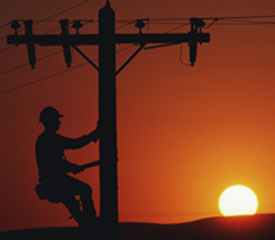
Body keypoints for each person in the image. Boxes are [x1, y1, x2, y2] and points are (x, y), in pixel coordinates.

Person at [35, 106, 100, 231]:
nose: (59, 122)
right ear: (50, 121)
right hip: (56, 182)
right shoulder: (50, 140)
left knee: (73, 202)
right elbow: (55, 162)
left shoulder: (44, 139)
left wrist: (70, 167)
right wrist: (95, 134)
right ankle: (90, 220)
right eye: (56, 120)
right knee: (85, 190)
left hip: (53, 183)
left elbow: (56, 162)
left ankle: (86, 222)